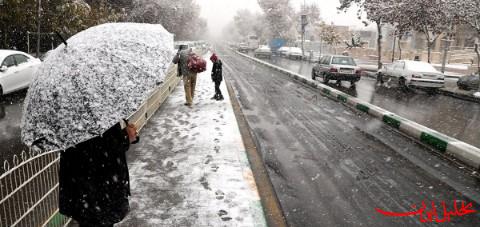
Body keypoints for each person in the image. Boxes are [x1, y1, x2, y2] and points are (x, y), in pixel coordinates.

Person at [58, 120, 138, 227]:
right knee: (98, 220)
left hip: (82, 187)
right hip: (100, 187)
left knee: (90, 220)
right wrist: (125, 136)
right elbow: (105, 147)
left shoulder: (69, 118)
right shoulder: (95, 114)